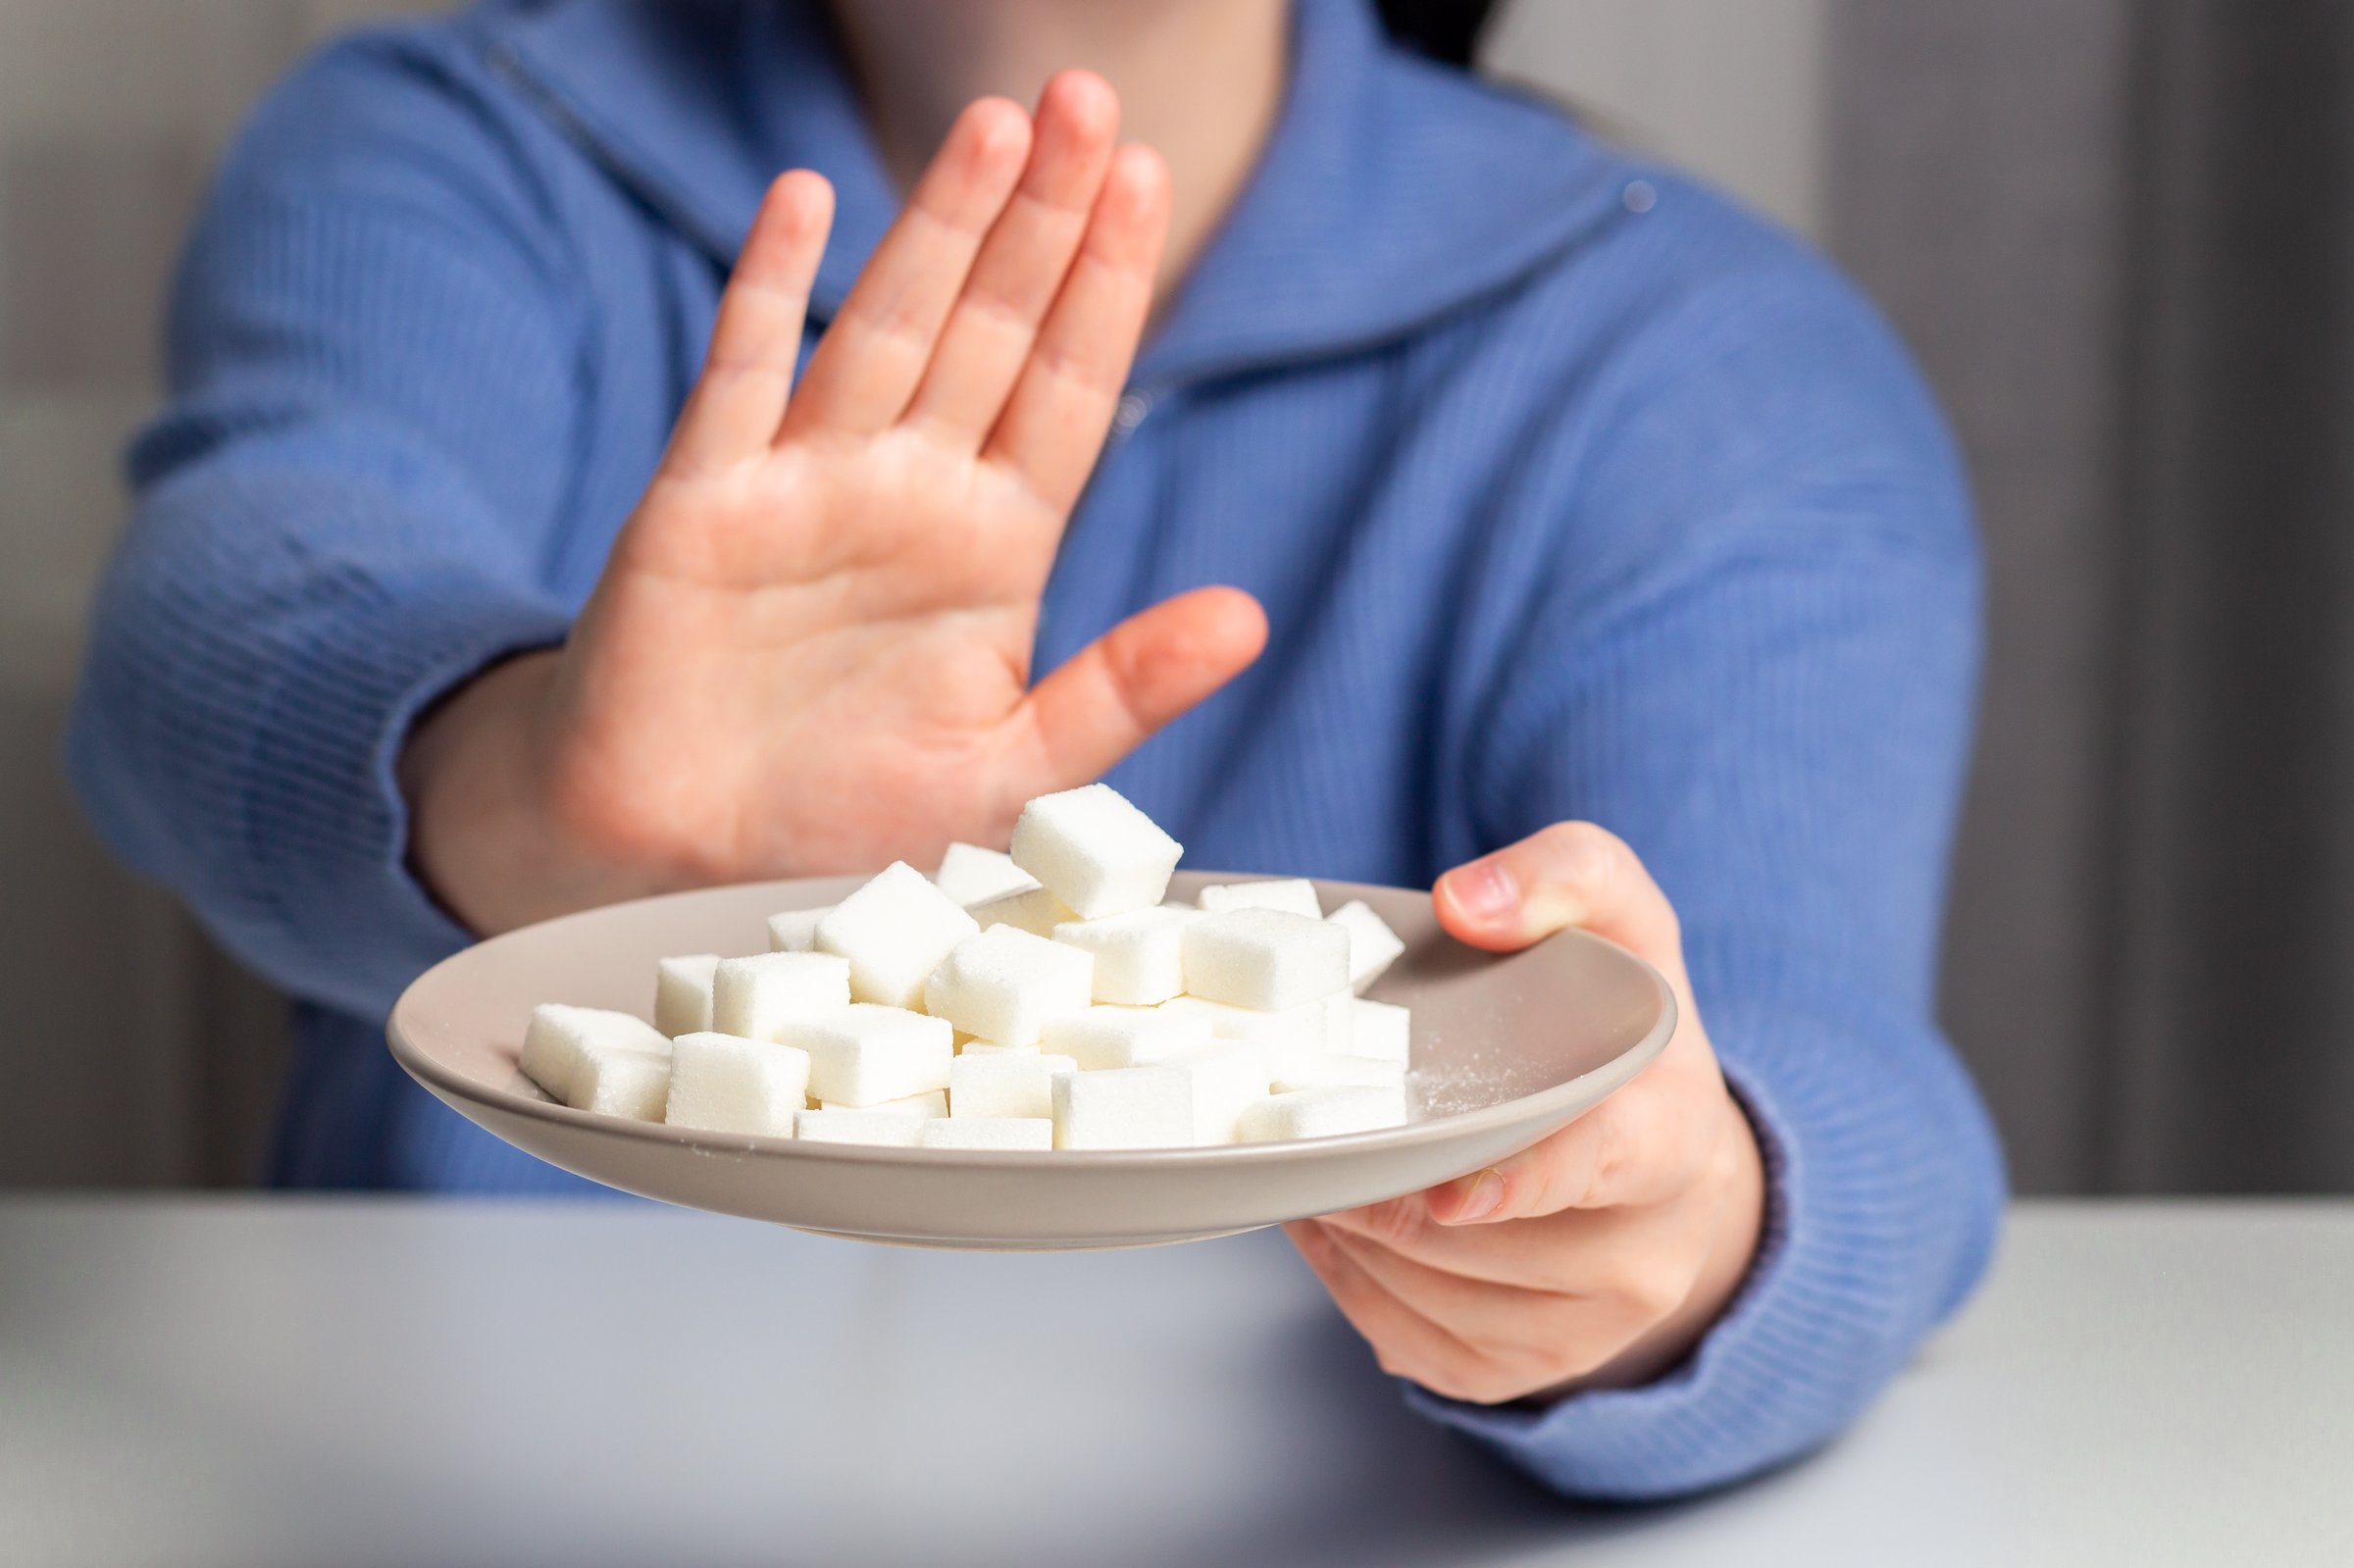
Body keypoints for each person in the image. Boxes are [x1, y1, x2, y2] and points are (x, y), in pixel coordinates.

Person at [67, 0, 2002, 1502]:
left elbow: (1834, 1067)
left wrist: (1677, 1230)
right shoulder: (454, 147)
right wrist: (530, 783)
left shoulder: (1713, 361)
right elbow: (207, 624)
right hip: (448, 1484)